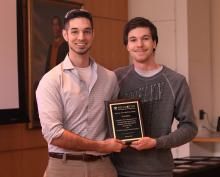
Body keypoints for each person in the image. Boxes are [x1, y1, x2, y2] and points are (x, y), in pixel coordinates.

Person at [36, 9, 126, 177]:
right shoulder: (51, 80)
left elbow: (115, 123)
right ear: (65, 35)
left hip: (103, 167)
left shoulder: (109, 78)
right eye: (74, 31)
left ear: (93, 34)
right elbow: (54, 135)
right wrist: (101, 146)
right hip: (64, 167)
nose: (81, 37)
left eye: (87, 31)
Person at [111, 17, 198, 177]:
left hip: (158, 171)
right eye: (133, 40)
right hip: (118, 170)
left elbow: (190, 127)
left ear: (154, 43)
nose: (139, 45)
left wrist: (157, 143)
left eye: (145, 38)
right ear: (127, 46)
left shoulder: (176, 81)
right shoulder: (115, 78)